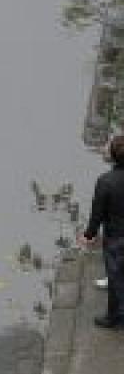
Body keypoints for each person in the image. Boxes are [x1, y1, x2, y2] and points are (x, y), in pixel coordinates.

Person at [80, 134, 124, 328]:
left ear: (113, 157)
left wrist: (89, 235)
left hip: (116, 237)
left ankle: (114, 317)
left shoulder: (105, 181)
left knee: (115, 276)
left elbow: (97, 213)